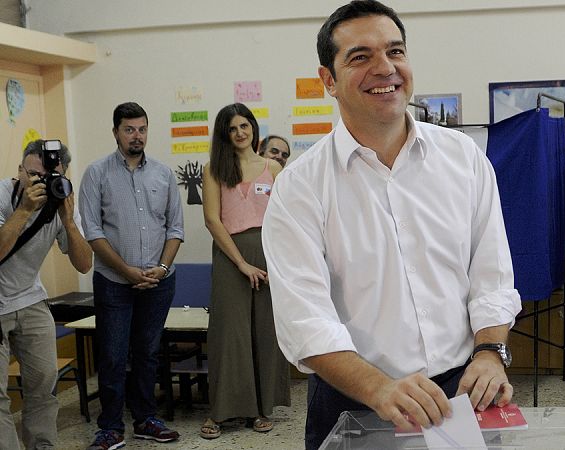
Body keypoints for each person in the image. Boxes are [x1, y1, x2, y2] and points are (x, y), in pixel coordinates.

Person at [261, 2, 522, 448]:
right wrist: (379, 387)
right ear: (328, 80)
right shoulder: (299, 188)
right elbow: (304, 321)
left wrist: (490, 353)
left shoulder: (463, 159)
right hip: (354, 400)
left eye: (395, 52)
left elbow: (492, 278)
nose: (385, 69)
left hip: (461, 390)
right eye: (360, 57)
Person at [79, 102, 184, 450]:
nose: (136, 136)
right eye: (129, 129)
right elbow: (93, 232)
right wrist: (127, 271)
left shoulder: (164, 174)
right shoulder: (96, 173)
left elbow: (175, 229)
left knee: (147, 353)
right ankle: (109, 427)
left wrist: (162, 268)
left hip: (158, 282)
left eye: (141, 129)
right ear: (116, 132)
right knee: (112, 354)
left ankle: (145, 419)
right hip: (114, 283)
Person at [200, 104, 289, 439]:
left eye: (244, 126)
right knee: (229, 334)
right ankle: (221, 412)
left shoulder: (274, 169)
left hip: (269, 253)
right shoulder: (214, 169)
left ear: (253, 127)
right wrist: (240, 262)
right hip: (230, 257)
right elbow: (212, 220)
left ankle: (262, 409)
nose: (239, 133)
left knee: (265, 332)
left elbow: (285, 220)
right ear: (225, 133)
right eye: (232, 128)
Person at [0, 140, 92, 450]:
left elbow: (83, 264)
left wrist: (68, 219)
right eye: (33, 175)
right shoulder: (2, 195)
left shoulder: (60, 198)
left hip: (30, 298)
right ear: (19, 173)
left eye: (49, 176)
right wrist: (25, 209)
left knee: (43, 384)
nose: (40, 182)